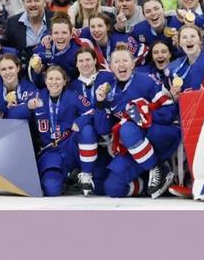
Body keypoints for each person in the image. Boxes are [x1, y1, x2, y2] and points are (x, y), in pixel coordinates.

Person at [95, 47, 178, 198]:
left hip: (159, 135)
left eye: (125, 60)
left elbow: (169, 111)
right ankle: (151, 179)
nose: (121, 65)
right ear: (111, 67)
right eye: (117, 61)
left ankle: (156, 168)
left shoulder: (146, 80)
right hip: (134, 146)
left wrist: (144, 115)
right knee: (112, 188)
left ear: (132, 64)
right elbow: (102, 129)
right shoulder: (109, 91)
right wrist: (100, 103)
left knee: (126, 128)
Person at [19, 65, 101, 196]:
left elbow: (93, 111)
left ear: (64, 81)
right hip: (51, 151)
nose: (54, 82)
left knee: (87, 130)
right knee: (51, 188)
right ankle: (68, 179)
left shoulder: (74, 96)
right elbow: (13, 114)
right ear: (45, 81)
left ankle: (86, 175)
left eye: (58, 79)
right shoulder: (35, 96)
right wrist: (27, 107)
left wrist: (79, 122)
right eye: (50, 78)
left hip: (70, 147)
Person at [4, 0, 52, 64]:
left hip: (54, 69)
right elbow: (9, 51)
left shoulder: (57, 19)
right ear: (23, 3)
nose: (33, 4)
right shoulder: (12, 22)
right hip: (24, 70)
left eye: (37, 1)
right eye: (29, 1)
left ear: (44, 3)